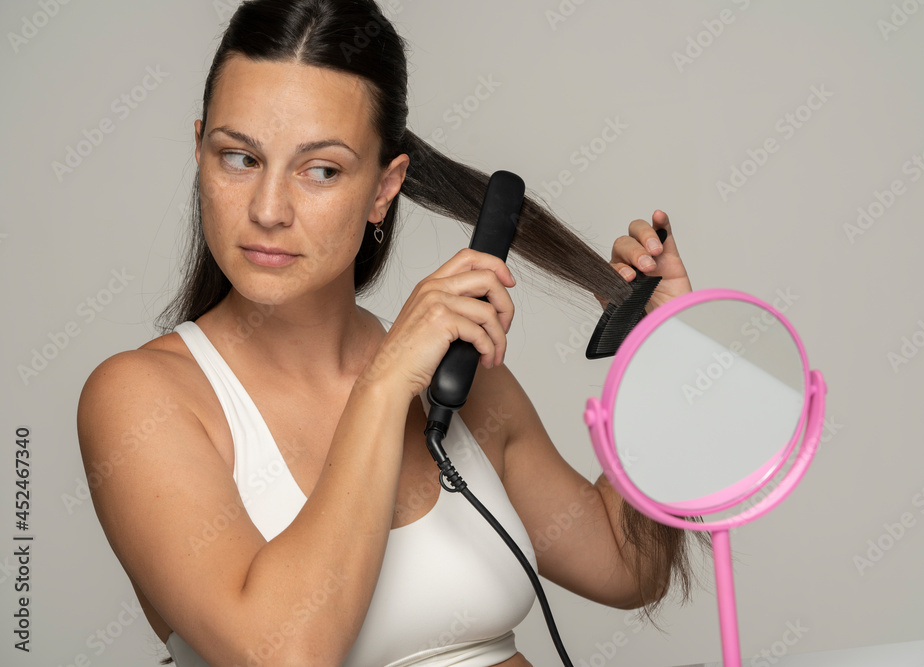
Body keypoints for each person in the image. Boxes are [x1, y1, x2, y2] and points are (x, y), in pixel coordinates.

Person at [76, 1, 700, 665]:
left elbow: (629, 565)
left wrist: (664, 354)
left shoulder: (458, 378)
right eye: (239, 157)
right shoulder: (140, 400)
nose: (267, 209)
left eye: (320, 169)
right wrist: (383, 385)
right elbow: (283, 652)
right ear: (200, 151)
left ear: (384, 188)